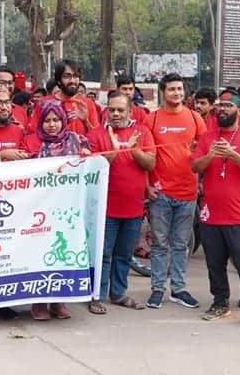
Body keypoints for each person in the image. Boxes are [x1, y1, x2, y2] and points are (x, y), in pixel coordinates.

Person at [191, 91, 240, 331]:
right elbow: (195, 166)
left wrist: (233, 154)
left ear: (239, 110)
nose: (221, 109)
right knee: (214, 264)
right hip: (211, 214)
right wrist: (211, 154)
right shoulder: (207, 137)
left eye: (227, 106)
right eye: (219, 105)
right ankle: (220, 302)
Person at [87, 94, 155, 315]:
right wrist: (114, 153)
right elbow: (92, 169)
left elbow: (151, 163)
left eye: (120, 110)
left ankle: (118, 293)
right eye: (112, 109)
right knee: (103, 254)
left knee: (124, 254)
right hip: (104, 209)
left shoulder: (142, 132)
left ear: (130, 111)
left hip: (133, 208)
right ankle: (97, 295)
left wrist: (134, 151)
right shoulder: (96, 134)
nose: (116, 114)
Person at [143, 73, 206, 309]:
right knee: (159, 244)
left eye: (180, 89)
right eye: (171, 89)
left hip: (188, 192)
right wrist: (147, 186)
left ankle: (178, 289)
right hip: (160, 193)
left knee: (180, 245)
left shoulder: (195, 117)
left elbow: (204, 148)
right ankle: (157, 289)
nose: (177, 93)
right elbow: (145, 157)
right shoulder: (152, 119)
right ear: (163, 92)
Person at [30, 100, 90, 320]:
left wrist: (86, 155)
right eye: (47, 121)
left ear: (64, 120)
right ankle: (39, 302)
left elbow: (94, 160)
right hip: (42, 208)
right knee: (41, 254)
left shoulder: (76, 139)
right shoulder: (35, 143)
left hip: (69, 208)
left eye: (56, 120)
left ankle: (58, 301)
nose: (52, 125)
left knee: (62, 253)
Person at [30, 60, 99, 136]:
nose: (72, 80)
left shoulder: (87, 104)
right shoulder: (44, 103)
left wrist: (86, 121)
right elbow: (34, 133)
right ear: (59, 81)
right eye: (67, 76)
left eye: (76, 76)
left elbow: (96, 137)